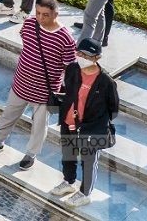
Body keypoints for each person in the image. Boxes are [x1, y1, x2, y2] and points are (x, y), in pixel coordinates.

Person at [0, 0, 76, 170]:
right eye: (38, 13)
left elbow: (69, 67)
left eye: (45, 15)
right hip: (21, 84)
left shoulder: (66, 38)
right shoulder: (30, 23)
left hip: (44, 92)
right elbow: (26, 43)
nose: (40, 17)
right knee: (8, 115)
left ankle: (31, 154)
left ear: (56, 14)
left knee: (39, 126)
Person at [50, 37, 119, 208]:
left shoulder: (106, 81)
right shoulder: (73, 69)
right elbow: (69, 92)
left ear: (97, 58)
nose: (82, 58)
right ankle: (68, 181)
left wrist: (94, 122)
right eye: (80, 53)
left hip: (91, 128)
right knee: (68, 155)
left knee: (89, 161)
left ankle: (85, 193)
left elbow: (114, 109)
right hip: (69, 122)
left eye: (87, 55)